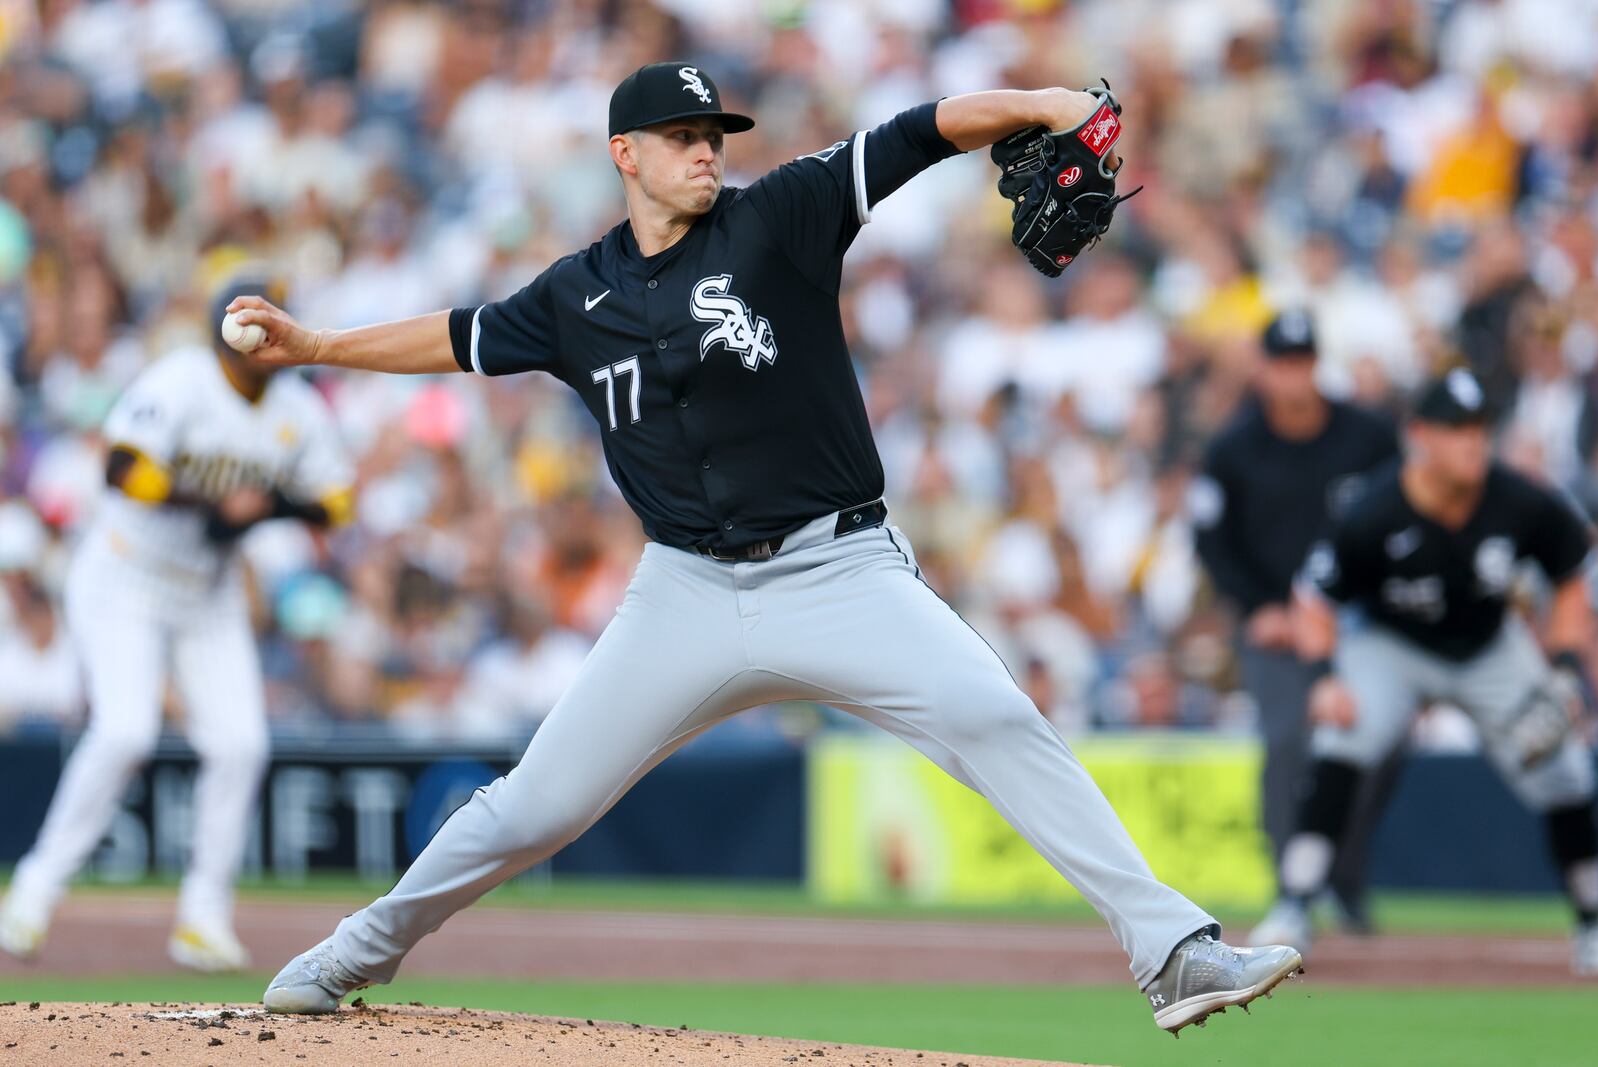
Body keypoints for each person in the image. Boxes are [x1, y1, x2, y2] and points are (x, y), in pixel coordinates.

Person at [237, 62, 1301, 1033]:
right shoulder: (575, 295)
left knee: (991, 713)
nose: (706, 149)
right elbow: (460, 336)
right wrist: (319, 345)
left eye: (714, 132)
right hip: (683, 592)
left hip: (837, 569)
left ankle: (1172, 951)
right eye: (681, 133)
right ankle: (353, 950)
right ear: (625, 154)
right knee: (534, 804)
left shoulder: (781, 214)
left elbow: (917, 130)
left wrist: (1035, 107)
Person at [0, 271, 354, 972]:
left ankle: (203, 916)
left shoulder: (296, 407)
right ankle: (33, 893)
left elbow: (336, 501)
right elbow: (123, 467)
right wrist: (217, 507)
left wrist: (272, 505)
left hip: (208, 591)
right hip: (124, 574)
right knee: (126, 729)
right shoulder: (186, 380)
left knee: (242, 743)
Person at [1249, 369, 1598, 976]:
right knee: (1345, 732)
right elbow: (1314, 599)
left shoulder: (1520, 499)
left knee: (1564, 768)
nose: (1473, 443)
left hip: (1489, 645)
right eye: (1456, 430)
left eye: (1480, 430)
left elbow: (1571, 574)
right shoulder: (1374, 507)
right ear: (1419, 436)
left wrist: (1568, 669)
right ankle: (1296, 900)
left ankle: (1593, 919)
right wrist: (1325, 677)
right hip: (1394, 644)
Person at [1193, 311, 1400, 929]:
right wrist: (1260, 607)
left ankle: (1343, 878)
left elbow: (1399, 517)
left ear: (1316, 364)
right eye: (1282, 363)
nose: (1293, 376)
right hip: (1277, 622)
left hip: (1358, 621)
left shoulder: (1368, 437)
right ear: (1263, 369)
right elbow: (1212, 540)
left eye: (1303, 362)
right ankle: (1294, 893)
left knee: (1376, 746)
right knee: (1287, 742)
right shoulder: (1232, 448)